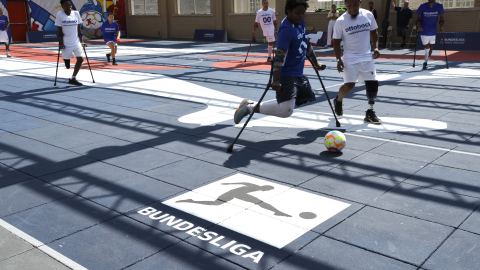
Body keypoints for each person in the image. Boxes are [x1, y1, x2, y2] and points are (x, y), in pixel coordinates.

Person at [235, 0, 326, 125]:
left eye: (302, 13)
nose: (300, 16)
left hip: (298, 73)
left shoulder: (300, 22)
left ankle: (278, 101)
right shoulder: (286, 30)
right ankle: (250, 107)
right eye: (298, 13)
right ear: (289, 11)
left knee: (305, 98)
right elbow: (279, 56)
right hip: (286, 74)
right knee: (285, 111)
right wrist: (276, 80)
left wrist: (315, 62)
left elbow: (306, 43)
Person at [332, 0, 382, 124]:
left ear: (360, 2)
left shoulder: (368, 15)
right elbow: (336, 42)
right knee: (350, 86)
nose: (352, 8)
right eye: (349, 5)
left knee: (373, 84)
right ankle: (338, 100)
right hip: (350, 58)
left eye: (354, 5)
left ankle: (370, 112)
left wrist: (375, 47)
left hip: (366, 57)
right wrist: (338, 60)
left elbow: (374, 32)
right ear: (345, 5)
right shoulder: (340, 21)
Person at [177, 182, 291, 217]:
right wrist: (229, 183)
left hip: (235, 193)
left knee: (215, 204)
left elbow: (242, 182)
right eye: (268, 189)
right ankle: (277, 211)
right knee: (260, 202)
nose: (267, 191)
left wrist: (229, 183)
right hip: (236, 193)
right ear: (265, 187)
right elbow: (243, 183)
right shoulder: (255, 187)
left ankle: (191, 201)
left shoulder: (255, 187)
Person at [55, 0, 87, 86]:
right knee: (68, 66)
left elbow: (79, 30)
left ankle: (73, 78)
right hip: (66, 43)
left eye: (70, 6)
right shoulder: (60, 14)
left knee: (80, 59)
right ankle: (66, 60)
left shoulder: (76, 14)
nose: (69, 7)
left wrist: (82, 42)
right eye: (66, 6)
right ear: (63, 7)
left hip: (76, 42)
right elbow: (59, 30)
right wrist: (61, 43)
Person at [416, 0, 445, 70]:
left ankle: (426, 61)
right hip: (423, 30)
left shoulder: (439, 6)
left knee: (431, 47)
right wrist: (419, 27)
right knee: (427, 47)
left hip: (433, 30)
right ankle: (425, 63)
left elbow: (441, 18)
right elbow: (417, 18)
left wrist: (441, 27)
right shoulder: (422, 6)